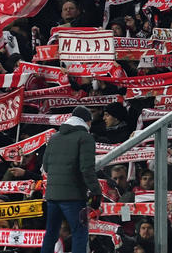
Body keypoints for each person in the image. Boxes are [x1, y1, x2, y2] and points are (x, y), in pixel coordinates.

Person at [40, 106, 101, 253]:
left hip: (52, 196)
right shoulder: (85, 138)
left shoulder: (54, 137)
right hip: (73, 196)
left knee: (51, 233)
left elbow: (46, 167)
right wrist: (96, 191)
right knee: (80, 233)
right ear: (87, 122)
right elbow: (86, 169)